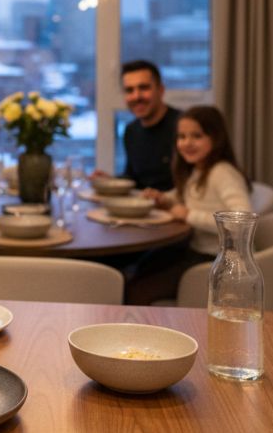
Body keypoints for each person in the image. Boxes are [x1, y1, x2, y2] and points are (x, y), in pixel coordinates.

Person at [125, 105, 252, 304]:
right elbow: (183, 195)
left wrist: (188, 214)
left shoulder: (222, 172)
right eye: (181, 137)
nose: (187, 143)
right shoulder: (198, 170)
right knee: (138, 270)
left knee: (137, 289)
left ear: (216, 138)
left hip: (214, 260)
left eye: (197, 136)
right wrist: (163, 199)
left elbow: (241, 220)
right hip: (193, 251)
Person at [94, 60, 181, 190]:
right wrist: (111, 181)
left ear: (161, 90)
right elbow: (133, 179)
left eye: (144, 88)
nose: (136, 96)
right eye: (129, 90)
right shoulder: (131, 131)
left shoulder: (183, 127)